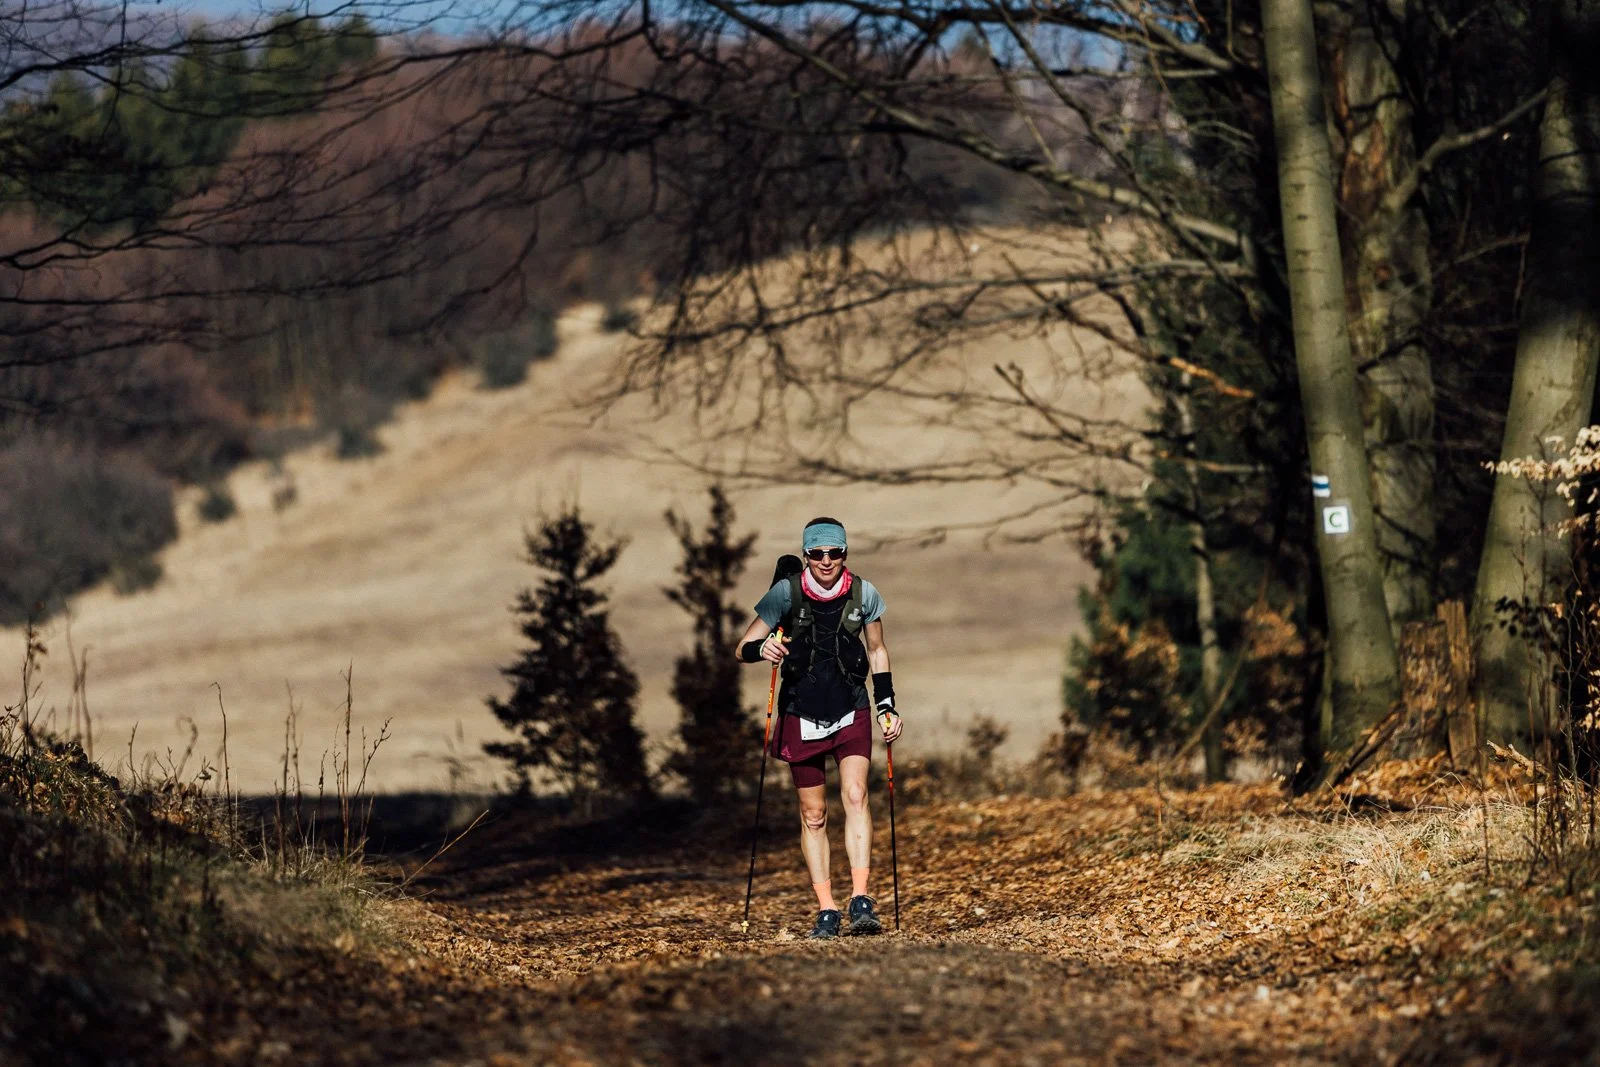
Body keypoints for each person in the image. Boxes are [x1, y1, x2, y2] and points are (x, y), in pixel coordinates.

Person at [735, 517, 902, 940]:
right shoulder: (785, 594)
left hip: (851, 707)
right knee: (813, 815)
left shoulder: (864, 593)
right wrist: (763, 648)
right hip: (801, 712)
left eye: (835, 552)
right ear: (806, 554)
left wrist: (886, 705)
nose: (826, 561)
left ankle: (861, 899)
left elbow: (877, 651)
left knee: (856, 794)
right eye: (817, 553)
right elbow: (741, 648)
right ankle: (827, 907)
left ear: (845, 552)